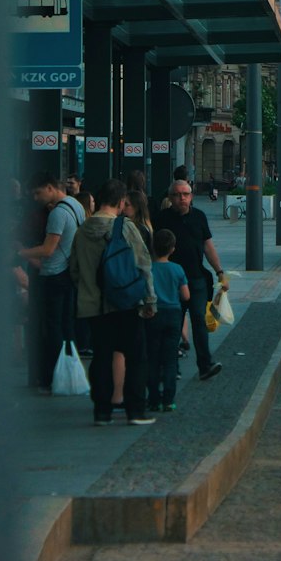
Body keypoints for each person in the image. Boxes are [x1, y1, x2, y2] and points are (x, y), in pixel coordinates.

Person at [69, 178, 157, 426]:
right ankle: (136, 410)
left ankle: (102, 411)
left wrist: (87, 288)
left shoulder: (82, 230)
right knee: (136, 356)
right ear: (120, 202)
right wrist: (149, 299)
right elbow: (143, 265)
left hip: (92, 305)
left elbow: (74, 270)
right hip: (125, 303)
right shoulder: (125, 227)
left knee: (101, 356)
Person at [18, 173, 85, 392]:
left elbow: (48, 249)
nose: (36, 198)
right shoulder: (76, 205)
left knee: (51, 327)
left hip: (53, 274)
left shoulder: (57, 214)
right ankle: (66, 371)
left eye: (38, 193)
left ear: (49, 188)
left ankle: (52, 375)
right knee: (65, 325)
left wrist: (21, 252)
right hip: (69, 274)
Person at [164, 180, 227, 381]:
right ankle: (171, 367)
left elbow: (208, 246)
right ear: (170, 198)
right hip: (172, 280)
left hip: (197, 278)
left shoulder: (199, 216)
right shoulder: (162, 219)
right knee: (173, 324)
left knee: (200, 320)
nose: (182, 198)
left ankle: (205, 365)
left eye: (185, 194)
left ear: (191, 196)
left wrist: (220, 272)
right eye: (177, 194)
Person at [146, 228, 189, 412]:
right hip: (173, 315)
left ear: (152, 248)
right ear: (172, 249)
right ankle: (169, 399)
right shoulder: (177, 269)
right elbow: (186, 295)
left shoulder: (148, 269)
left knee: (153, 358)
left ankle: (154, 398)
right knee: (170, 358)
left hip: (153, 314)